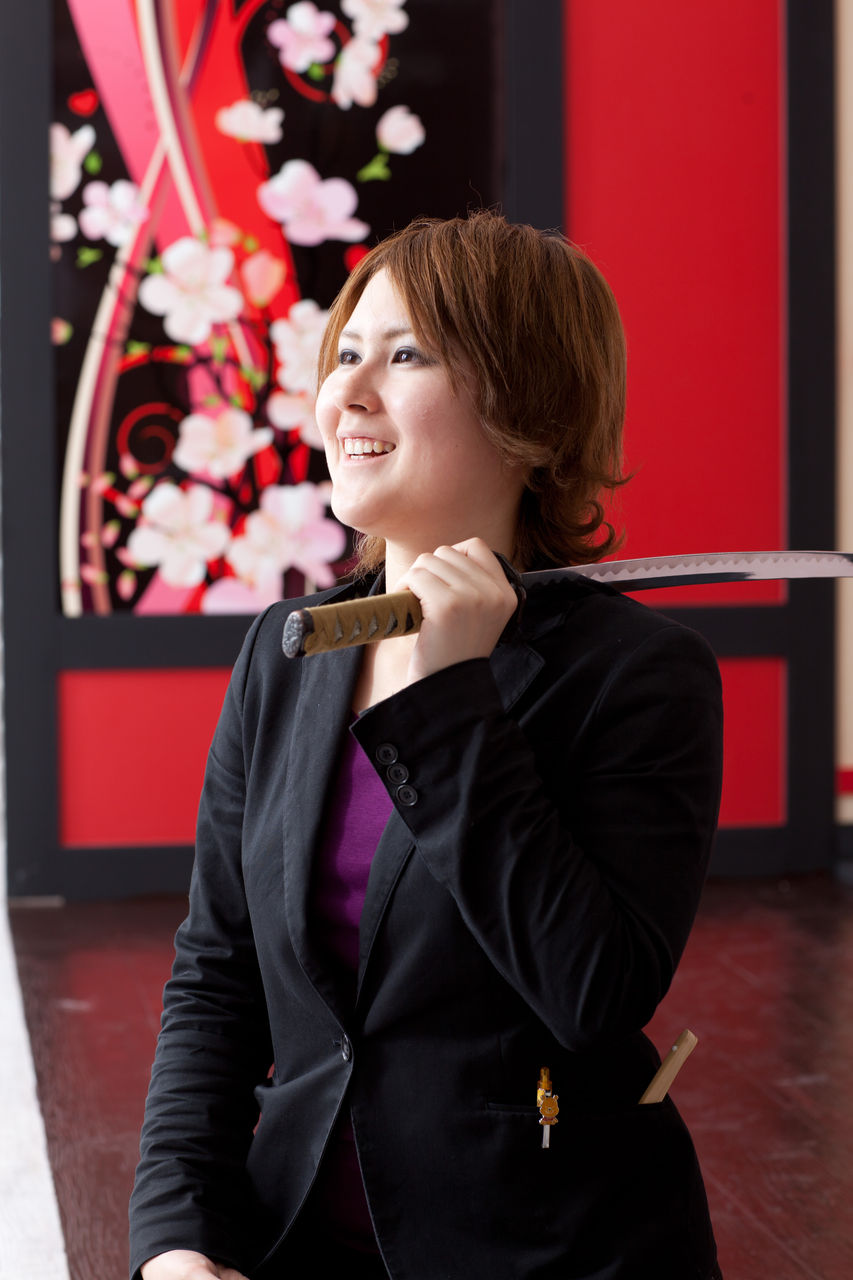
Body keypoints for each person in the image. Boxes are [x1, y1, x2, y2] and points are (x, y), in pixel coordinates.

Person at [130, 212, 724, 1280]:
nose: (347, 394)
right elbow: (218, 971)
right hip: (297, 1238)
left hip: (551, 1249)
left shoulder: (640, 674)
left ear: (526, 406)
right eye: (345, 353)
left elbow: (591, 994)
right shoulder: (287, 649)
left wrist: (450, 698)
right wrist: (174, 1236)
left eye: (404, 356)